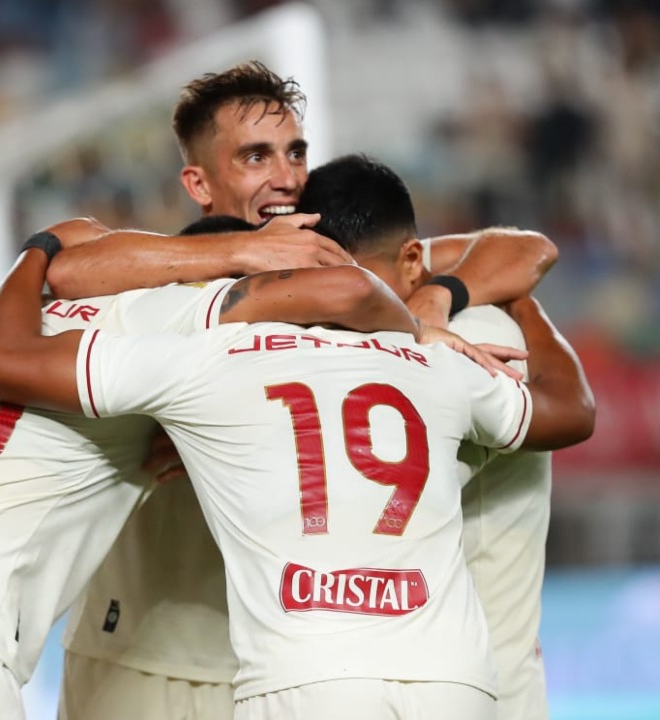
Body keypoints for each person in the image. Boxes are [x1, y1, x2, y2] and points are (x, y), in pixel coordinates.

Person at [48, 64, 559, 720]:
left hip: (278, 668)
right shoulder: (163, 282)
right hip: (142, 651)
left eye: (295, 153)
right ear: (198, 182)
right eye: (255, 157)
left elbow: (521, 248)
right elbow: (66, 271)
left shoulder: (342, 268)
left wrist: (430, 302)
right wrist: (238, 255)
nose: (285, 177)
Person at [0, 209, 593, 718]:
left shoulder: (209, 358)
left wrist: (40, 249)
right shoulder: (450, 353)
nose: (282, 176)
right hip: (455, 677)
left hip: (301, 674)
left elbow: (3, 359)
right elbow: (571, 410)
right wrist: (512, 306)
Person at [295, 154, 594, 720]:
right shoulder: (367, 340)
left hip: (474, 685)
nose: (343, 305)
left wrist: (497, 302)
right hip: (414, 682)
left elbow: (571, 411)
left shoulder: (475, 335)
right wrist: (517, 298)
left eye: (355, 285)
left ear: (411, 261)